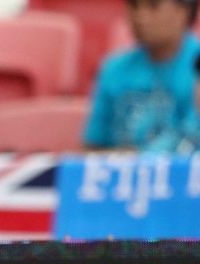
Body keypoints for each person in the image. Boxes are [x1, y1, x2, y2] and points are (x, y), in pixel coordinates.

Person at [84, 0, 200, 151]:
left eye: (153, 6)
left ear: (183, 11)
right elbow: (92, 146)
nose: (140, 16)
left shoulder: (196, 65)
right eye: (134, 6)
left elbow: (192, 141)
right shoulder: (113, 69)